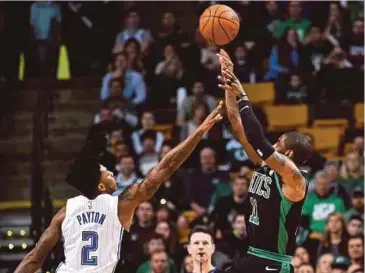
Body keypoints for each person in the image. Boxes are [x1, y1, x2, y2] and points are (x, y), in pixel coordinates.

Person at [13, 102, 224, 273]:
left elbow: (34, 258)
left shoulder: (66, 210)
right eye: (107, 172)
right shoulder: (120, 205)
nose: (112, 172)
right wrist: (199, 132)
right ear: (101, 185)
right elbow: (166, 166)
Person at [218, 49, 313, 273]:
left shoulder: (294, 179)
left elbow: (257, 139)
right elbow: (238, 126)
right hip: (251, 256)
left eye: (279, 142)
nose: (274, 144)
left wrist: (243, 96)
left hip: (273, 262)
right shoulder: (265, 166)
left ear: (288, 154)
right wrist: (230, 86)